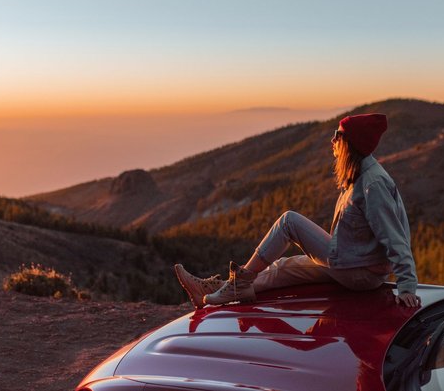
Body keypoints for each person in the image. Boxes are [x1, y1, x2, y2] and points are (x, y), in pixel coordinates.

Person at [175, 113, 421, 308]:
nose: (333, 140)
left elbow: (395, 238)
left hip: (360, 273)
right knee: (282, 268)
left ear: (351, 143)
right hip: (351, 263)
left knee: (288, 222)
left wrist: (407, 286)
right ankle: (216, 290)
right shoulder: (360, 176)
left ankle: (238, 283)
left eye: (338, 135)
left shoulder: (373, 184)